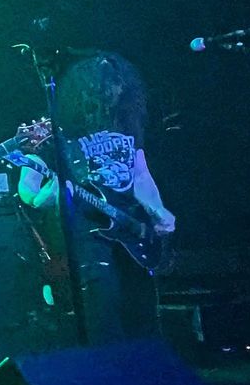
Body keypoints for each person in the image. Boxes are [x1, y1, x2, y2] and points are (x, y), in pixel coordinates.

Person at [14, 51, 175, 344]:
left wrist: (158, 209)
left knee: (142, 311)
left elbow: (140, 175)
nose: (116, 92)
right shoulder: (54, 132)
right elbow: (28, 193)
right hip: (88, 235)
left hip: (131, 228)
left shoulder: (126, 123)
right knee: (103, 309)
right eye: (110, 86)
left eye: (119, 85)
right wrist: (52, 191)